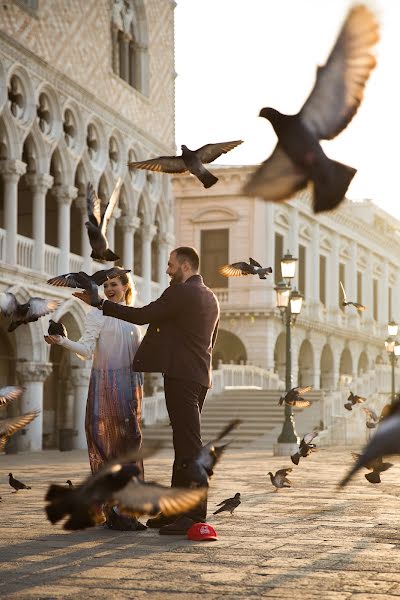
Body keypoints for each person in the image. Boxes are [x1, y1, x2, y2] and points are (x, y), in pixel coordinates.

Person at [74, 246, 220, 535]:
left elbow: (142, 316)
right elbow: (212, 340)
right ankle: (175, 512)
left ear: (186, 266)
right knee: (184, 444)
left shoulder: (181, 292)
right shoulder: (210, 296)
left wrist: (100, 304)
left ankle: (192, 516)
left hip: (181, 377)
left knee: (189, 447)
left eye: (171, 265)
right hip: (198, 377)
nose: (167, 270)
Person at [44, 267, 146, 531]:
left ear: (126, 286)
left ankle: (129, 510)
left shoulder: (135, 316)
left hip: (132, 387)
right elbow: (87, 349)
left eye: (114, 284)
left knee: (130, 445)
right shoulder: (97, 314)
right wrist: (62, 342)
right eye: (106, 285)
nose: (109, 288)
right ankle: (112, 510)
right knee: (106, 444)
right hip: (105, 384)